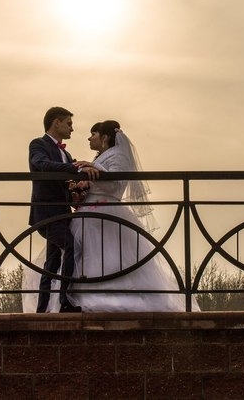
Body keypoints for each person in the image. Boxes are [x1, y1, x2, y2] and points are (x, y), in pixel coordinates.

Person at [67, 120, 198, 312]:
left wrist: (93, 169)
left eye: (93, 134)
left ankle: (107, 295)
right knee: (86, 253)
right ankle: (79, 293)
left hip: (106, 211)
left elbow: (116, 185)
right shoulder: (103, 155)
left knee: (109, 254)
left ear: (104, 137)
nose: (89, 138)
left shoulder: (119, 155)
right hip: (91, 211)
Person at [28, 106, 98, 313]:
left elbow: (67, 182)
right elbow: (41, 164)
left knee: (52, 261)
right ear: (56, 122)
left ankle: (42, 308)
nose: (72, 129)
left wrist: (77, 192)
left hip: (62, 213)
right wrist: (77, 167)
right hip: (46, 212)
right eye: (69, 124)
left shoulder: (66, 153)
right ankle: (64, 301)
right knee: (71, 246)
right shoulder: (38, 144)